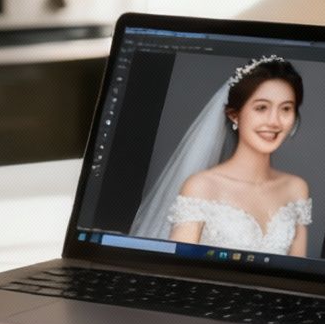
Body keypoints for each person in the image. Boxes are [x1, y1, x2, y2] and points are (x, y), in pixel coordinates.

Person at [131, 57, 312, 256]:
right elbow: (178, 270)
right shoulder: (201, 186)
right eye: (261, 107)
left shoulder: (296, 188)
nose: (274, 121)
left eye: (286, 108)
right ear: (234, 115)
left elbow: (297, 273)